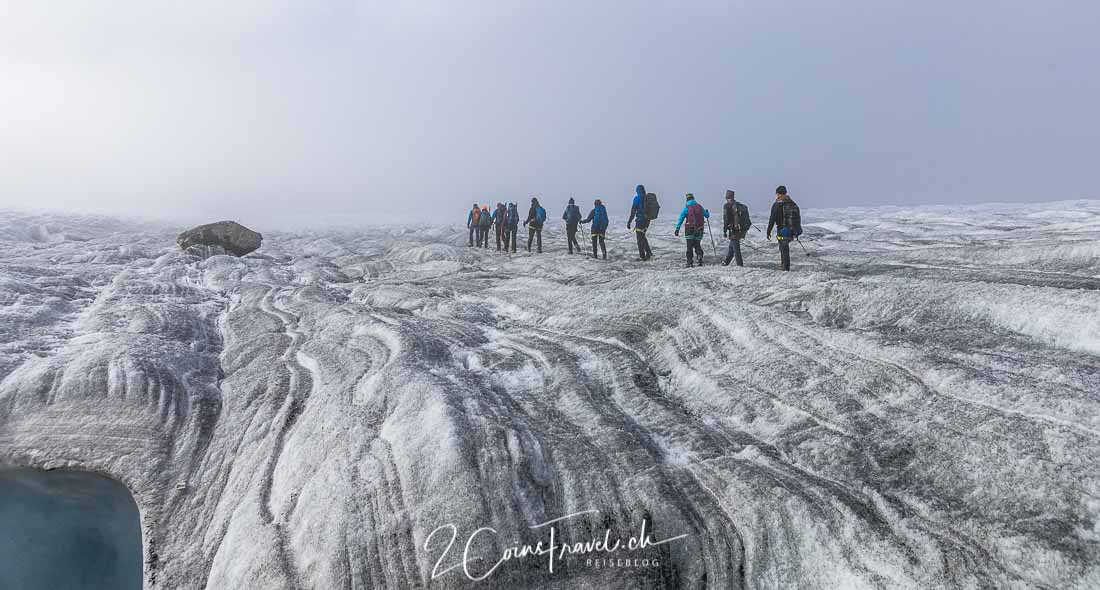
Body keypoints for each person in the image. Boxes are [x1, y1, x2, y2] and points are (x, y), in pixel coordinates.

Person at [766, 185, 802, 271]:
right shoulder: (792, 203)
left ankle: (785, 267)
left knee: (783, 248)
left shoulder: (777, 204)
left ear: (778, 194)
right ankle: (785, 266)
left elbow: (772, 219)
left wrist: (768, 232)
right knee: (785, 248)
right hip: (792, 230)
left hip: (782, 229)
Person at [674, 193, 710, 267]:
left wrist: (677, 229)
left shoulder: (687, 208)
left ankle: (690, 261)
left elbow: (681, 219)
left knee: (689, 246)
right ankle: (699, 256)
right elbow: (707, 215)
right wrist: (707, 211)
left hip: (689, 229)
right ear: (693, 198)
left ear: (687, 199)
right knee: (697, 244)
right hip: (700, 228)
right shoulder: (700, 207)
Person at [721, 190, 749, 267]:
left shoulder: (727, 206)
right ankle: (725, 263)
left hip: (733, 230)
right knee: (732, 247)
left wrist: (724, 230)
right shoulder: (738, 205)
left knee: (736, 249)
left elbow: (726, 219)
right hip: (739, 229)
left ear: (727, 197)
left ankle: (740, 265)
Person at [626, 184, 653, 261]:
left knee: (639, 238)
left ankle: (643, 256)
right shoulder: (647, 197)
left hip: (640, 220)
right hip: (647, 221)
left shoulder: (637, 198)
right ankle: (648, 253)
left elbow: (633, 211)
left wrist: (629, 222)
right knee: (642, 236)